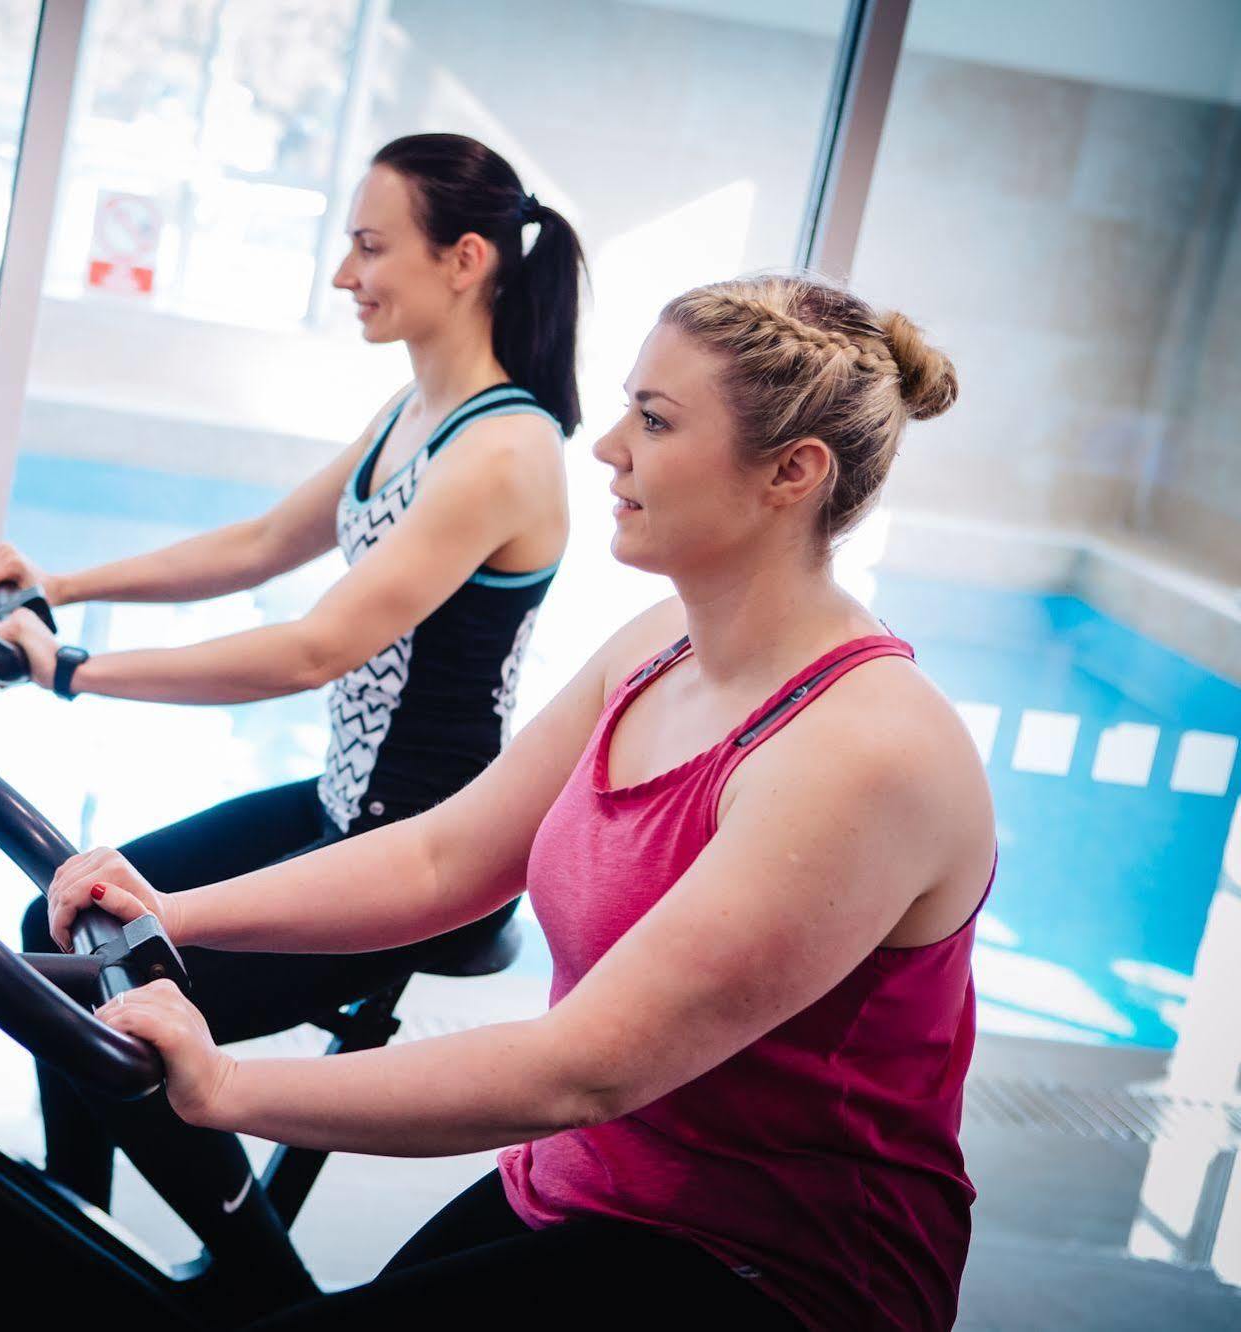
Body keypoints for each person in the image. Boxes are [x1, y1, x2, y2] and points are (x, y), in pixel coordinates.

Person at [48, 273, 990, 1330]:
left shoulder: (860, 756)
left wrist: (225, 1089)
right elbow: (444, 861)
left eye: (656, 420)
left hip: (775, 1270)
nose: (607, 447)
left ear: (791, 473)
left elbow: (581, 1071)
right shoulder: (658, 647)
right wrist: (176, 909)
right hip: (593, 1184)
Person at [0, 132, 587, 1213]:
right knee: (59, 934)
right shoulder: (412, 415)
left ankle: (223, 1280)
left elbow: (317, 648)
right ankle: (71, 1219)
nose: (346, 276)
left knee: (112, 998)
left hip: (418, 855)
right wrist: (60, 586)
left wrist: (72, 672)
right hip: (343, 807)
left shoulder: (502, 449)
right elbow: (260, 543)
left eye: (368, 247)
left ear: (465, 260)